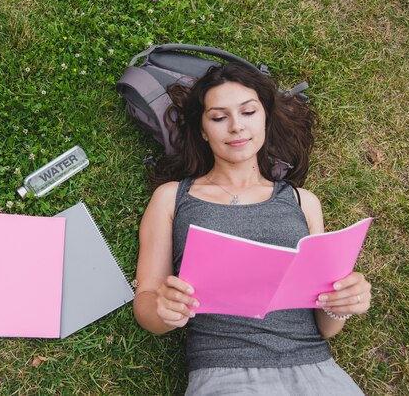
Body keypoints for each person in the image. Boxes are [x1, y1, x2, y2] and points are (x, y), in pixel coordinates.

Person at [133, 63, 372, 395]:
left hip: (317, 371)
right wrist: (164, 311)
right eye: (218, 118)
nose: (236, 127)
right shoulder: (172, 198)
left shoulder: (303, 202)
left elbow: (326, 327)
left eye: (248, 112)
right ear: (203, 130)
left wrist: (342, 303)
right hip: (225, 374)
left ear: (265, 119)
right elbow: (145, 303)